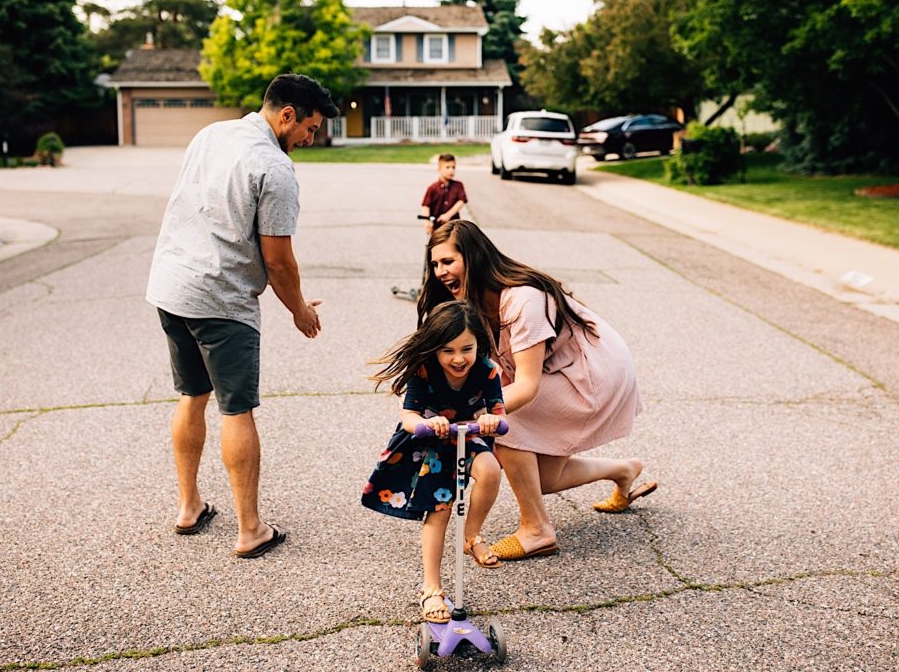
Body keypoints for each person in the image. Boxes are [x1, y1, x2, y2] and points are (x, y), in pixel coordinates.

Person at [146, 73, 338, 559]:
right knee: (237, 411)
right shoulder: (274, 168)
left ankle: (189, 507)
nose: (309, 141)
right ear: (286, 114)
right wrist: (299, 311)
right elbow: (278, 260)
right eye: (309, 129)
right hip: (220, 301)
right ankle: (250, 530)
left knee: (192, 396)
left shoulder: (210, 134)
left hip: (171, 287)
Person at [417, 220, 655, 562]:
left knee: (507, 425)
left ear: (473, 256)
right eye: (435, 264)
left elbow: (525, 387)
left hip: (594, 372)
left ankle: (537, 529)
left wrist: (472, 415)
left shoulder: (522, 299)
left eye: (448, 261)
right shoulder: (474, 306)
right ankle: (623, 470)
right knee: (540, 478)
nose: (440, 271)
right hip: (560, 371)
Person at [361, 300, 506, 623]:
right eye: (448, 351)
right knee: (438, 513)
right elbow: (409, 416)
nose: (458, 358)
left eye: (466, 349)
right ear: (435, 349)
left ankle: (471, 535)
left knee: (491, 470)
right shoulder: (423, 369)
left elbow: (500, 413)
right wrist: (429, 422)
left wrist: (491, 422)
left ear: (478, 345)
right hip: (431, 442)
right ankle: (431, 588)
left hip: (467, 434)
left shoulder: (487, 370)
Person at [419, 153, 468, 235]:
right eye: (447, 167)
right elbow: (425, 206)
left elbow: (461, 201)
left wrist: (448, 215)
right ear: (439, 169)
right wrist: (427, 222)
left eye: (453, 167)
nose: (451, 170)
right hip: (437, 229)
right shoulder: (432, 188)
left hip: (453, 229)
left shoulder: (458, 185)